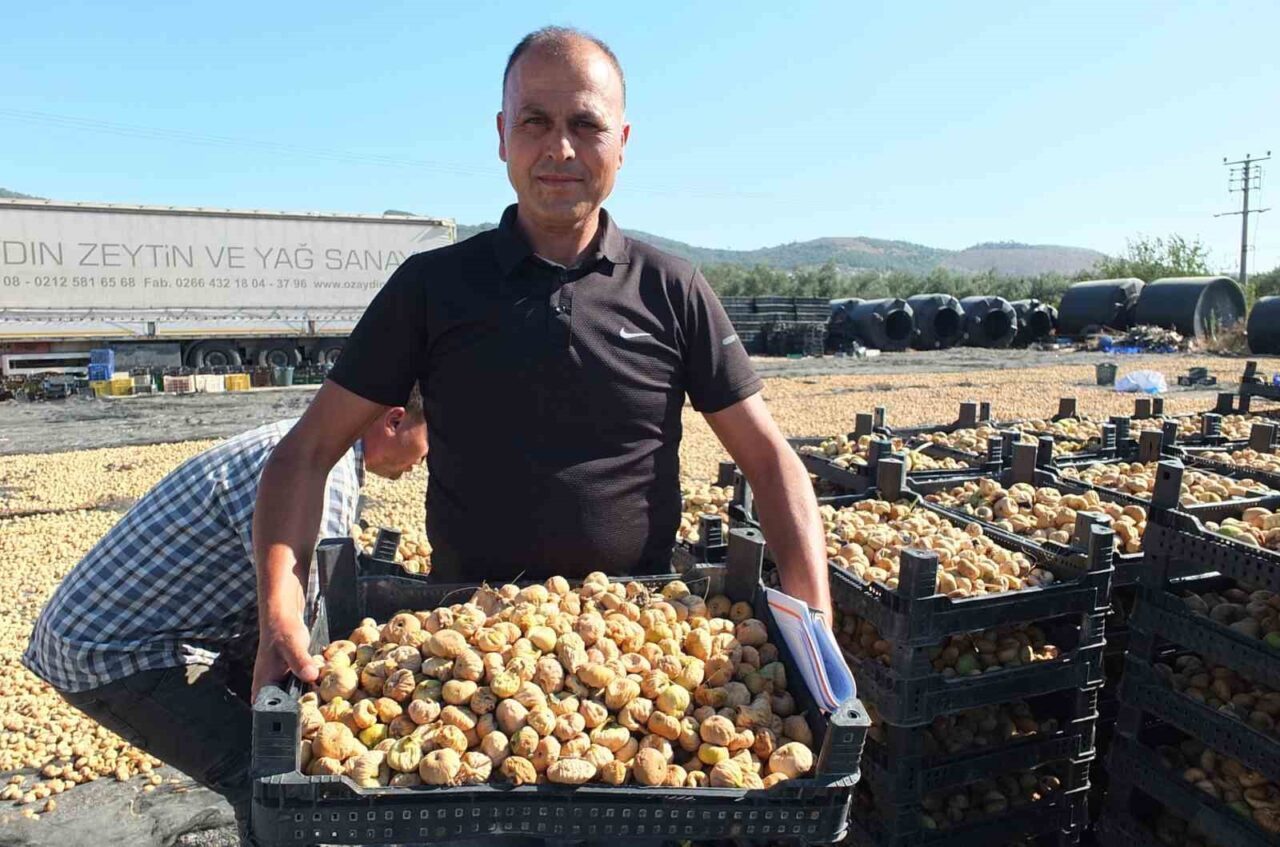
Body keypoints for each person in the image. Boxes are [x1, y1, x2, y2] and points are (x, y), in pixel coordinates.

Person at [253, 25, 831, 705]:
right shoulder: (431, 288)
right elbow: (305, 454)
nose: (560, 148)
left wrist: (814, 626)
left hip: (639, 657)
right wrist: (279, 614)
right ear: (503, 136)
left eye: (586, 124)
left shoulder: (672, 289)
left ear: (622, 142)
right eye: (535, 122)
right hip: (467, 660)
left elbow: (769, 459)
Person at [22, 392, 427, 840]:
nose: (425, 460)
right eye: (431, 440)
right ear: (394, 421)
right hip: (109, 649)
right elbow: (305, 623)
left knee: (276, 742)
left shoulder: (310, 446)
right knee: (261, 775)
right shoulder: (319, 475)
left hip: (157, 626)